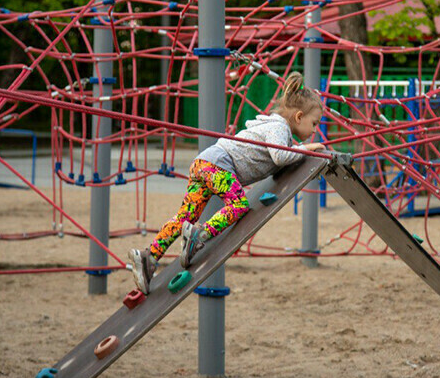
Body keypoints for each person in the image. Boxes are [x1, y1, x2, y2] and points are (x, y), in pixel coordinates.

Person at [129, 71, 326, 294]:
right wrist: (305, 149)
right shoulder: (278, 128)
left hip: (204, 163)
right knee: (239, 205)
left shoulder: (279, 132)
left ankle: (149, 257)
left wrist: (298, 152)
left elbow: (283, 159)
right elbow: (281, 156)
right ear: (299, 117)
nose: (315, 129)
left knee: (186, 215)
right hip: (218, 165)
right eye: (314, 123)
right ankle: (199, 235)